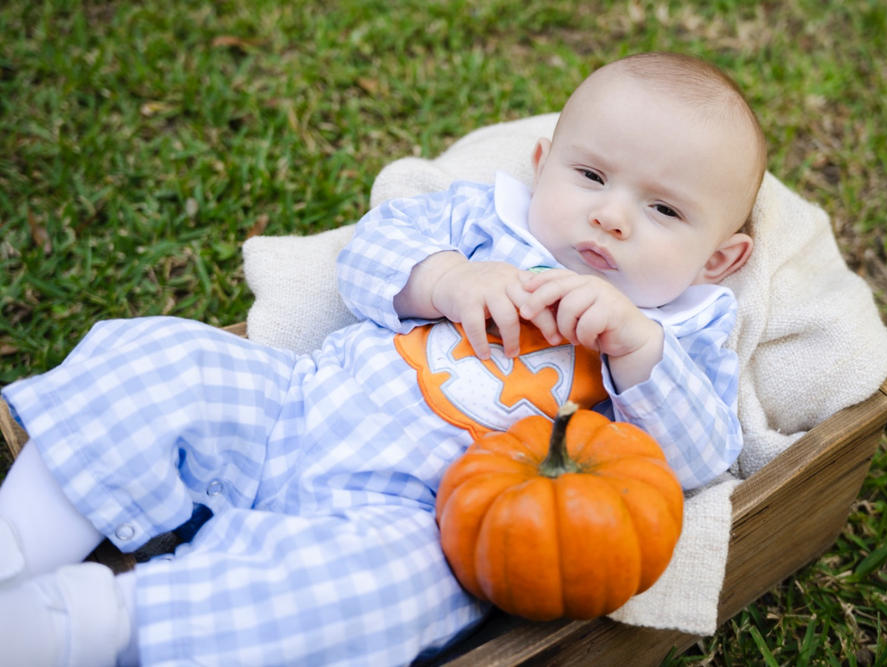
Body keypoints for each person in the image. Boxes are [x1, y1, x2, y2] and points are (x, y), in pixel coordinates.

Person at [0, 51, 766, 666]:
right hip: (292, 402)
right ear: (542, 162)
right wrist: (448, 278)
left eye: (663, 209)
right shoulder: (483, 222)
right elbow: (369, 256)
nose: (611, 214)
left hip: (414, 513)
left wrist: (638, 348)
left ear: (720, 258)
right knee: (158, 357)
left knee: (381, 598)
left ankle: (84, 623)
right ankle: (20, 537)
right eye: (591, 176)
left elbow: (700, 458)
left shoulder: (681, 332)